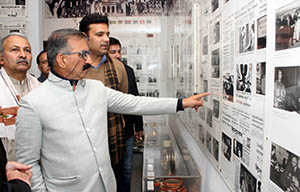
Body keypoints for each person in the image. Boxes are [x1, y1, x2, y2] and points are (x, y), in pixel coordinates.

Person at [15, 28, 209, 192]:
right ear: (62, 60)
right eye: (82, 54)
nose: (89, 61)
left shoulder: (95, 88)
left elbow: (135, 103)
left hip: (106, 185)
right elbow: (27, 163)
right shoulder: (33, 103)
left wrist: (181, 103)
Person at [79, 14, 129, 186]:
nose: (106, 39)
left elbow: (124, 102)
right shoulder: (73, 66)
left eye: (107, 34)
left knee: (114, 181)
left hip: (113, 141)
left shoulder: (118, 67)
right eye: (99, 35)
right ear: (85, 37)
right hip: (81, 144)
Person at [108, 37, 143, 192]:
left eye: (118, 51)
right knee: (110, 169)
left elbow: (135, 98)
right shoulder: (95, 72)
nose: (117, 55)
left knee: (127, 168)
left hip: (127, 129)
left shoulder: (128, 71)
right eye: (112, 52)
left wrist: (139, 126)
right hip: (107, 131)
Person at [0, 33, 40, 161]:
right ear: (1, 58)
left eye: (27, 50)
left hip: (37, 163)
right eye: (15, 50)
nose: (23, 55)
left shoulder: (40, 87)